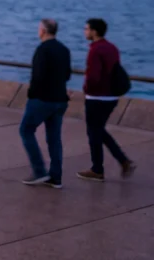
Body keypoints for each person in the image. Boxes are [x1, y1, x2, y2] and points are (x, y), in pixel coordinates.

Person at [78, 18, 137, 182]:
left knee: (94, 132)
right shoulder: (112, 48)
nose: (85, 32)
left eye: (87, 29)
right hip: (112, 97)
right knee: (98, 130)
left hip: (97, 97)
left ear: (94, 31)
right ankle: (123, 161)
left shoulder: (95, 50)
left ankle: (98, 169)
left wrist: (86, 89)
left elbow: (94, 76)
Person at [20, 19, 71, 188]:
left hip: (42, 100)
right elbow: (67, 75)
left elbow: (38, 77)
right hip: (60, 100)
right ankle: (55, 177)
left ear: (42, 30)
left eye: (38, 28)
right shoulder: (64, 49)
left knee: (26, 130)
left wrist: (31, 95)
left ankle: (39, 171)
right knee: (54, 138)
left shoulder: (42, 50)